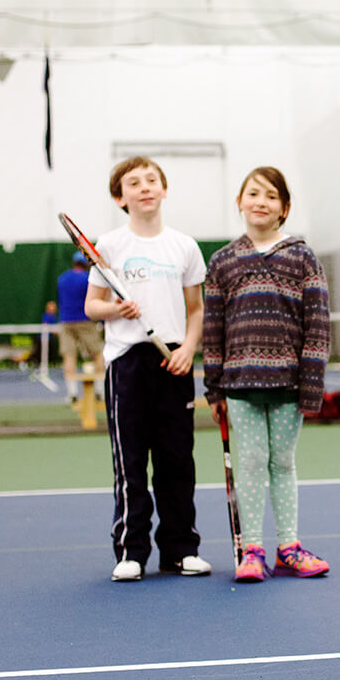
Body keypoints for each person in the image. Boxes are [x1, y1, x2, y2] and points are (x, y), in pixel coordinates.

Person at [202, 166, 332, 583]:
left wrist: (311, 386)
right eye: (252, 193)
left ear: (284, 208)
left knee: (283, 462)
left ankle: (289, 548)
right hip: (239, 386)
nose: (260, 201)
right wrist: (213, 388)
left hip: (289, 385)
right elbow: (212, 330)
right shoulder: (222, 261)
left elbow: (318, 324)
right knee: (253, 462)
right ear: (239, 202)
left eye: (271, 196)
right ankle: (252, 550)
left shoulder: (302, 256)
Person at [83, 156, 210, 583]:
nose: (145, 187)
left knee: (178, 461)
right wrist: (115, 307)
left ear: (164, 189)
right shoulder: (111, 245)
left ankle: (180, 549)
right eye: (133, 183)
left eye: (152, 180)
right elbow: (91, 306)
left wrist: (189, 349)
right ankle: (131, 550)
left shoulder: (184, 247)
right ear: (121, 198)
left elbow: (196, 309)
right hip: (128, 364)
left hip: (173, 359)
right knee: (131, 462)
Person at [55, 252, 105, 403]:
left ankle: (72, 393)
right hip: (86, 321)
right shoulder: (88, 279)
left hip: (66, 322)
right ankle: (99, 391)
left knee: (69, 356)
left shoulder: (61, 279)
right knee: (98, 354)